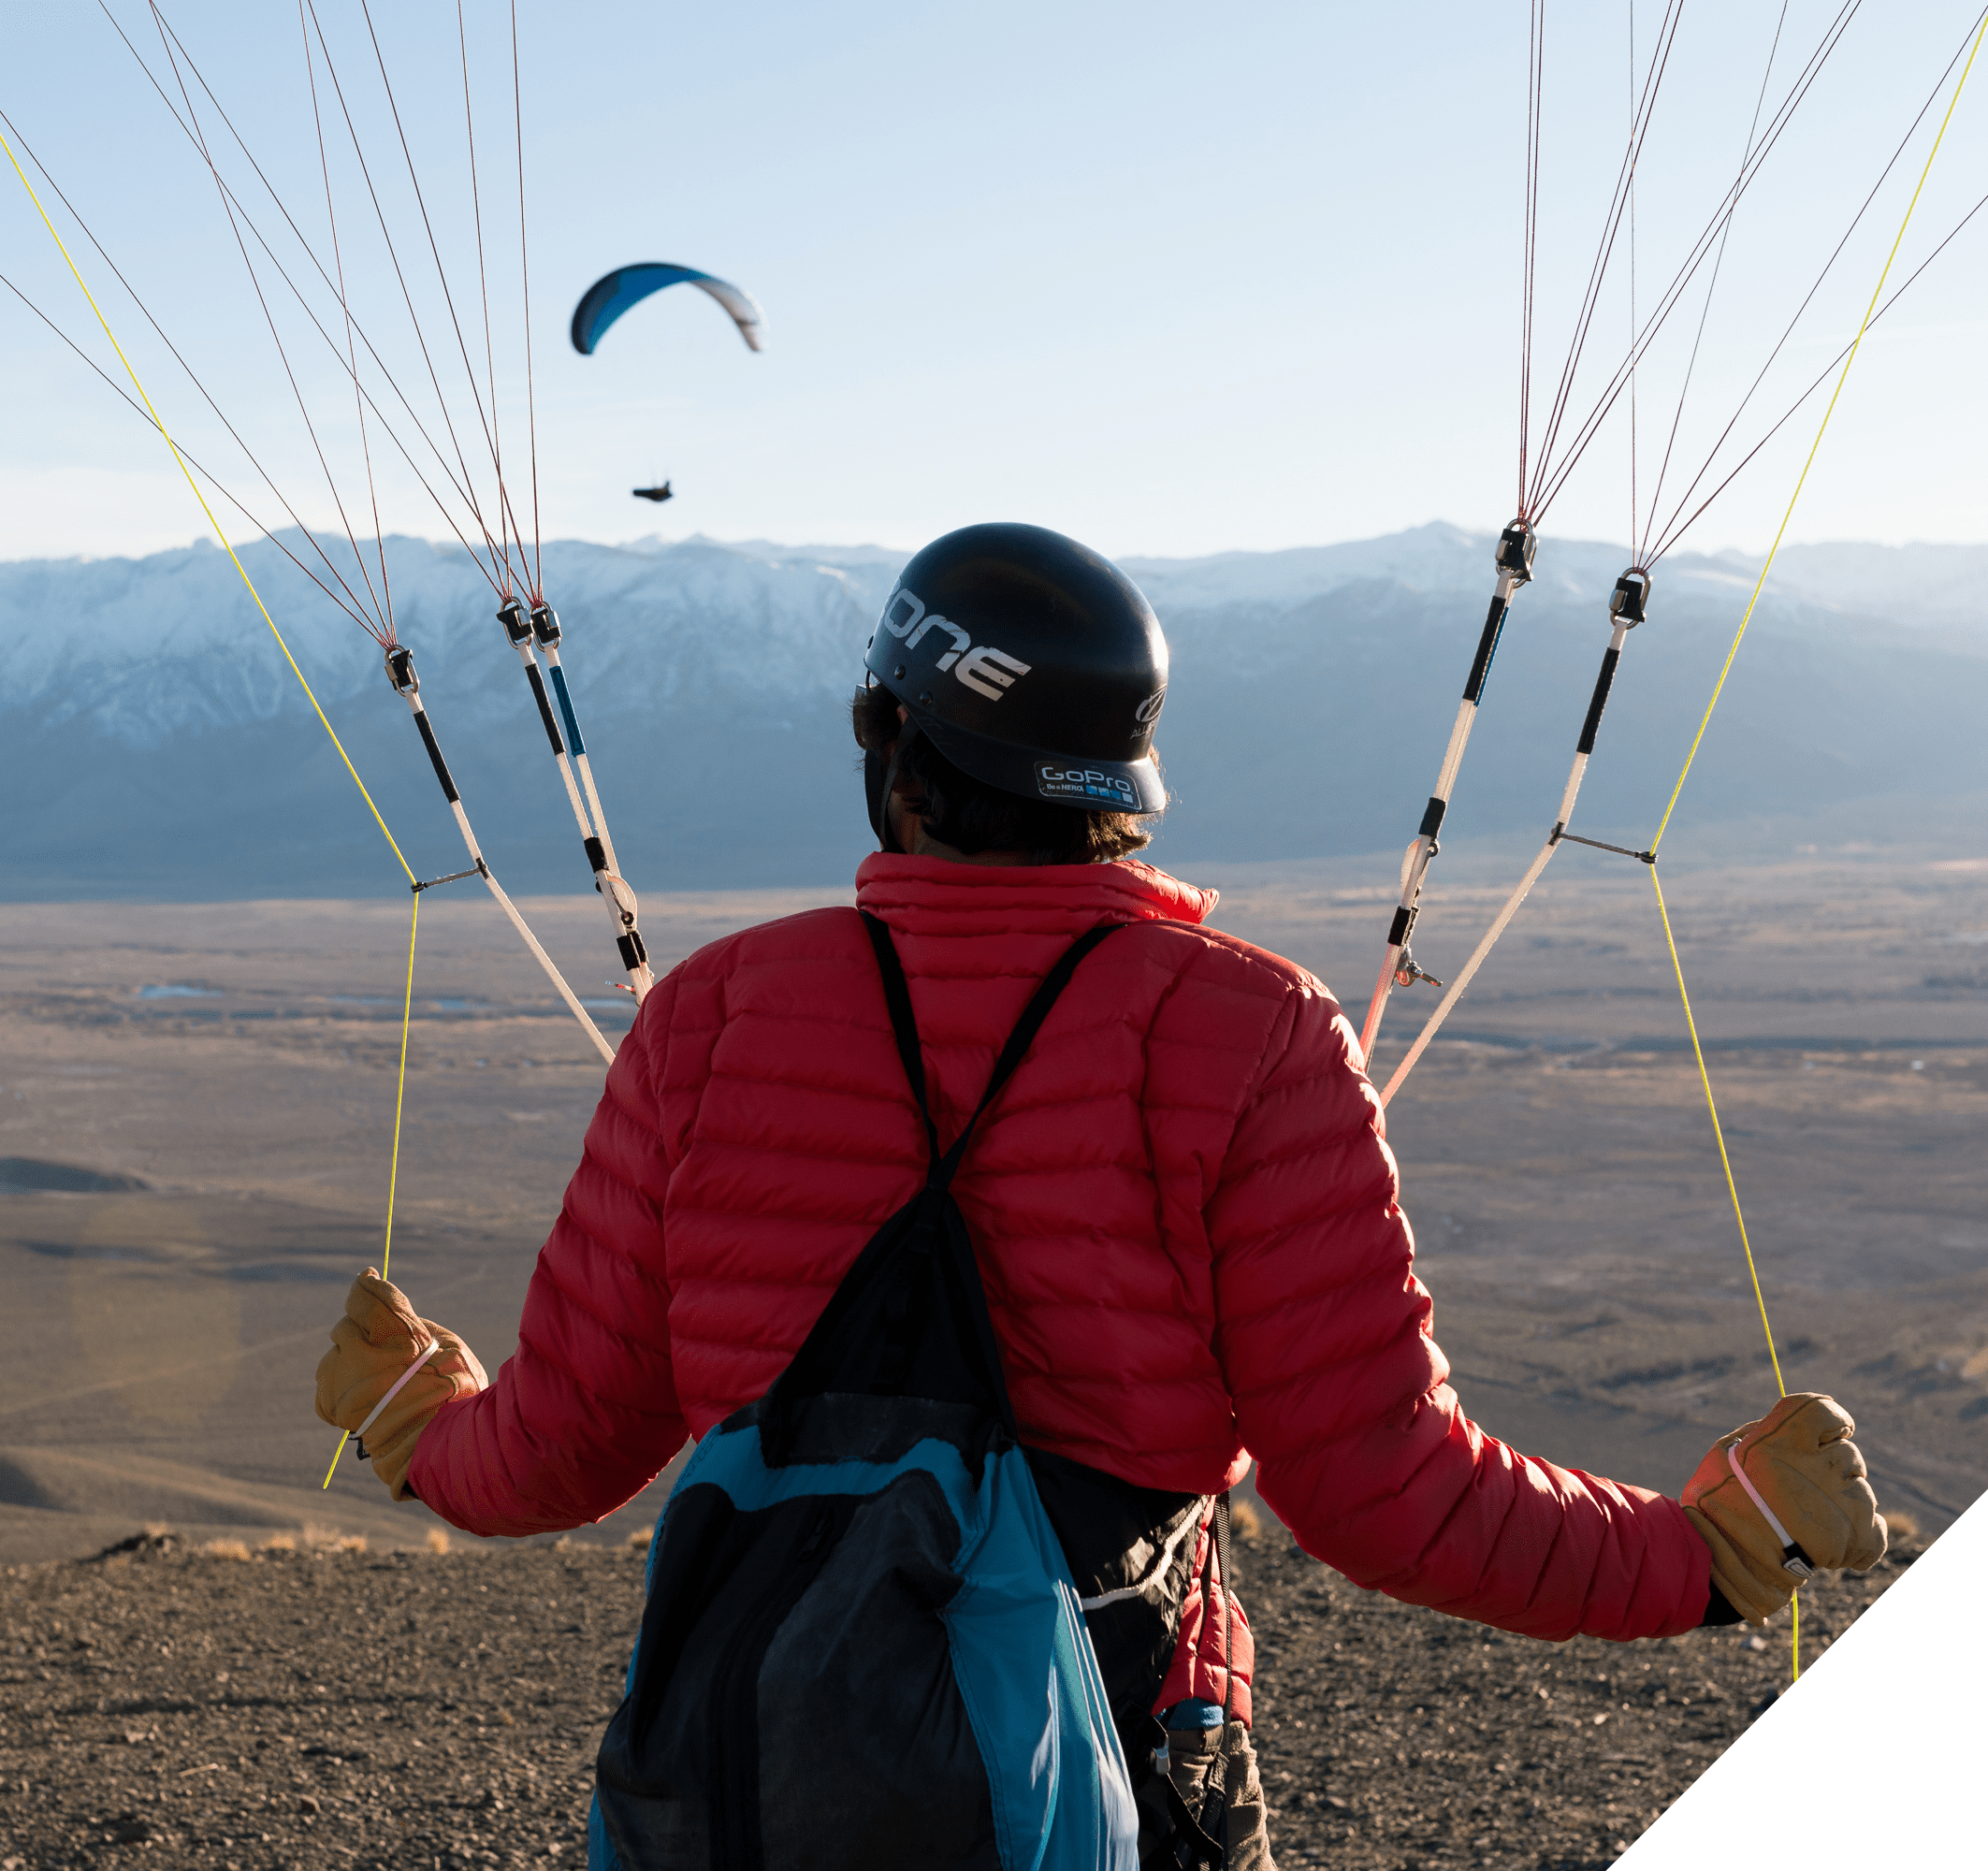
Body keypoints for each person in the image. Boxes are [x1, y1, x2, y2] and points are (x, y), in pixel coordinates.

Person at [317, 522, 1887, 1870]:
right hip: (1119, 1764)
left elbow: (561, 1444)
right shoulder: (1255, 1032)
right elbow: (1385, 1489)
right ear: (1123, 779)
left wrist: (415, 1426)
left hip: (752, 1778)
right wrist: (1701, 1555)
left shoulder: (709, 1022)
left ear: (889, 744)